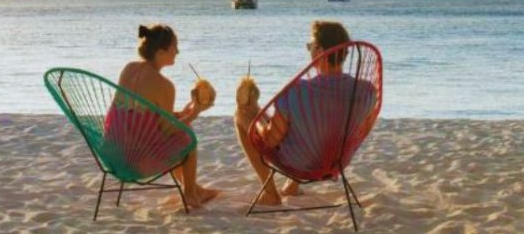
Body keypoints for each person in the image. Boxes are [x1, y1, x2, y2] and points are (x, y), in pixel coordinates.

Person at [234, 21, 376, 206]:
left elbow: (270, 140)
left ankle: (270, 194)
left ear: (318, 50)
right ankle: (292, 188)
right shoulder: (367, 91)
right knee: (309, 125)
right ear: (344, 53)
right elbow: (362, 131)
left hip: (298, 165)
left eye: (310, 46)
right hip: (337, 161)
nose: (309, 50)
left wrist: (258, 118)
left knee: (241, 115)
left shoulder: (296, 91)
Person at [108, 24, 220, 209]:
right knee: (186, 133)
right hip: (136, 159)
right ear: (161, 52)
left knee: (179, 128)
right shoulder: (164, 85)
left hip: (113, 151)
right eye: (174, 47)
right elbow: (167, 129)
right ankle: (190, 193)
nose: (177, 51)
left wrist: (183, 113)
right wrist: (195, 112)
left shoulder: (129, 68)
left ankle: (193, 188)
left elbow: (141, 116)